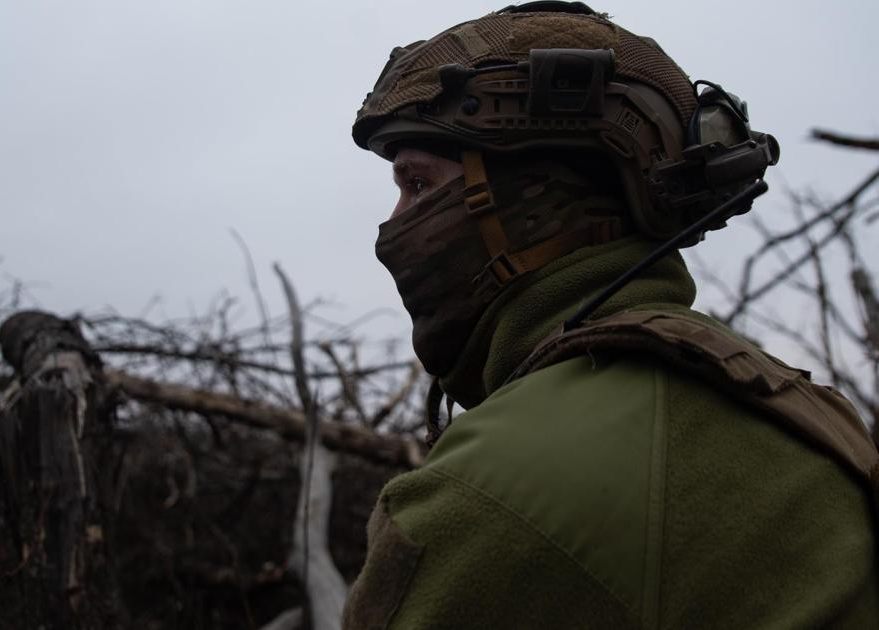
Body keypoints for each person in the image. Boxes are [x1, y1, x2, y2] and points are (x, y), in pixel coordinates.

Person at [341, 2, 879, 628]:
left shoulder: (490, 492)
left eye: (418, 185)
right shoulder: (809, 412)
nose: (393, 225)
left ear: (530, 200)